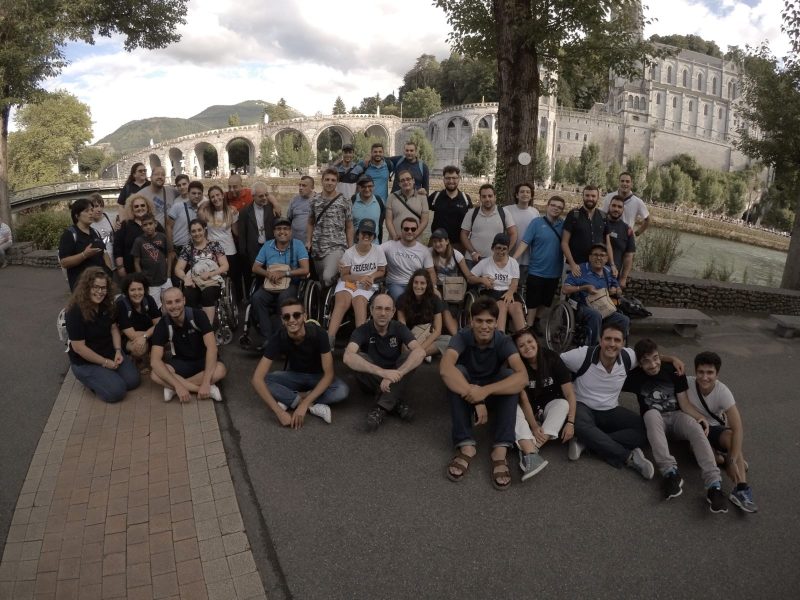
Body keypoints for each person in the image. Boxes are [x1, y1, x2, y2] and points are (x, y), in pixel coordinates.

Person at [623, 339, 726, 512]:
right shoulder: (633, 376)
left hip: (677, 416)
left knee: (695, 427)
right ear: (639, 364)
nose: (653, 364)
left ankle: (714, 485)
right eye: (646, 361)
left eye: (656, 358)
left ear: (660, 356)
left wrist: (700, 417)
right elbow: (612, 371)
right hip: (656, 421)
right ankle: (670, 473)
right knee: (651, 414)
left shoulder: (673, 370)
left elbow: (684, 403)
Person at [440, 296, 528, 490]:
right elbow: (445, 369)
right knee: (457, 372)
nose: (484, 326)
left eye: (489, 321)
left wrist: (485, 392)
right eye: (479, 321)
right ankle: (466, 445)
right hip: (466, 391)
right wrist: (476, 399)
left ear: (496, 323)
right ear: (471, 321)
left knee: (511, 377)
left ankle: (500, 450)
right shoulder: (462, 336)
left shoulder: (503, 340)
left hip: (491, 392)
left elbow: (523, 377)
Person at [560, 322, 654, 479]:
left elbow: (650, 357)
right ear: (600, 340)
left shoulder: (628, 356)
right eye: (608, 339)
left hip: (610, 409)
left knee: (644, 429)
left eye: (617, 340)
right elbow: (554, 361)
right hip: (582, 406)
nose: (612, 344)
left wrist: (672, 359)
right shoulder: (582, 355)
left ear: (623, 343)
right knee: (580, 425)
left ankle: (587, 443)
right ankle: (629, 457)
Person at [251, 297, 349, 427]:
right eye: (286, 317)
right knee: (265, 380)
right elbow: (257, 379)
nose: (291, 320)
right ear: (282, 320)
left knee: (342, 390)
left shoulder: (319, 334)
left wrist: (304, 405)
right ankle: (311, 404)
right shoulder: (278, 337)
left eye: (296, 315)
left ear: (305, 317)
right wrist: (279, 412)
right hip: (294, 376)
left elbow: (328, 375)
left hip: (318, 377)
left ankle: (291, 399)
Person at [687, 351, 758, 513]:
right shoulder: (687, 383)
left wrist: (732, 461)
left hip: (715, 429)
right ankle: (723, 459)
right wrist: (671, 358)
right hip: (696, 430)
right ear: (695, 371)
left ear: (717, 374)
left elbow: (737, 428)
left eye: (710, 372)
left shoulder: (723, 392)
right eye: (700, 372)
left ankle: (741, 489)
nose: (705, 377)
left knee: (732, 438)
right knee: (697, 451)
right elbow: (660, 362)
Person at [343, 293, 426, 431]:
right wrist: (383, 373)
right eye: (378, 308)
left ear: (393, 312)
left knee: (411, 355)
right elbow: (347, 357)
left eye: (387, 309)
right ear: (371, 310)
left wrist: (397, 374)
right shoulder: (362, 330)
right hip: (371, 379)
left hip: (394, 376)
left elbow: (420, 352)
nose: (383, 313)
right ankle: (396, 401)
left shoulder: (399, 327)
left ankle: (380, 408)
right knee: (358, 356)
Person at [64, 267, 140, 402]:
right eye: (95, 287)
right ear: (86, 287)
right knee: (117, 392)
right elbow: (79, 348)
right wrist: (105, 363)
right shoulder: (74, 311)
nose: (100, 292)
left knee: (133, 381)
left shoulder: (106, 304)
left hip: (109, 352)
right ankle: (92, 380)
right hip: (85, 361)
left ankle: (107, 376)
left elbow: (113, 329)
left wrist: (118, 351)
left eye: (103, 288)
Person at [511, 328, 577, 480]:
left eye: (530, 341)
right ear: (517, 350)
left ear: (536, 341)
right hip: (528, 410)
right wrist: (534, 426)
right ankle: (531, 453)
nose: (527, 347)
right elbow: (524, 400)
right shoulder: (517, 364)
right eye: (521, 345)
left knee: (563, 404)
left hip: (549, 406)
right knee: (512, 408)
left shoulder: (552, 358)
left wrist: (571, 422)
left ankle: (530, 449)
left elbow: (569, 393)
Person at [150, 287, 226, 403]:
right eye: (169, 303)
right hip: (182, 362)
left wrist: (206, 382)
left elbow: (212, 348)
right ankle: (204, 390)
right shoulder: (162, 325)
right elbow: (155, 361)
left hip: (203, 360)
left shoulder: (198, 315)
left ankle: (171, 388)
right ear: (163, 305)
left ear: (184, 300)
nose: (174, 306)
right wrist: (178, 386)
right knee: (155, 374)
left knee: (220, 370)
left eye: (177, 301)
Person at [326, 220, 386, 346]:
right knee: (342, 302)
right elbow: (344, 276)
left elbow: (382, 271)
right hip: (349, 281)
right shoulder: (349, 253)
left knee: (359, 301)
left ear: (374, 237)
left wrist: (371, 277)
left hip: (366, 284)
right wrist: (360, 278)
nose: (366, 236)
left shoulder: (378, 250)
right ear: (358, 234)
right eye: (364, 233)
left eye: (370, 234)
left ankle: (359, 342)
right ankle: (329, 340)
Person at [251, 218, 310, 344]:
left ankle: (281, 336)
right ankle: (268, 338)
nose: (282, 232)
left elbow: (305, 269)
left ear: (291, 232)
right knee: (257, 298)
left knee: (284, 298)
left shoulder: (298, 245)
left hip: (291, 283)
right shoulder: (267, 245)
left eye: (285, 229)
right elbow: (255, 267)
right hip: (270, 283)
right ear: (274, 232)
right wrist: (268, 274)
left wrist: (284, 273)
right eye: (278, 229)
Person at [513, 195, 566, 327]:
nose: (556, 208)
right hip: (536, 270)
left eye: (559, 207)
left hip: (554, 272)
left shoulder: (564, 225)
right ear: (547, 206)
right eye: (553, 205)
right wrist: (513, 259)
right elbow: (525, 242)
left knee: (546, 302)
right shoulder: (536, 223)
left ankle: (536, 322)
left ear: (562, 210)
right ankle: (529, 326)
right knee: (533, 301)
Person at [562, 243, 630, 345]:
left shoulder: (608, 271)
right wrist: (584, 287)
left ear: (606, 259)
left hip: (604, 306)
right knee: (596, 315)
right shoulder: (580, 269)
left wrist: (615, 289)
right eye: (595, 255)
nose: (599, 258)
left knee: (624, 319)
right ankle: (594, 347)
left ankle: (616, 345)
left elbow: (618, 289)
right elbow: (565, 289)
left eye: (602, 255)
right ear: (590, 257)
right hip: (582, 306)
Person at [174, 219, 229, 324]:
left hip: (212, 281)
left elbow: (225, 266)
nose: (197, 233)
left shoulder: (214, 245)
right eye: (193, 231)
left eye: (199, 230)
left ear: (204, 230)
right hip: (195, 281)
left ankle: (207, 326)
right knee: (188, 294)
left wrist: (211, 273)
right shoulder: (187, 248)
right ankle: (194, 324)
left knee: (207, 293)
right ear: (190, 233)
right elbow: (178, 268)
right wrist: (186, 279)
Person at [306, 168, 354, 286]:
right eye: (327, 179)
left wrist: (350, 248)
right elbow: (310, 222)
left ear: (337, 182)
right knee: (321, 279)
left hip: (336, 246)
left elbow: (349, 226)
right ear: (322, 181)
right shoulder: (314, 200)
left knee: (328, 277)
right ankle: (327, 297)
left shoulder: (345, 201)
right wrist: (308, 241)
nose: (330, 182)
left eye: (333, 180)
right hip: (318, 247)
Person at [469, 233, 526, 333]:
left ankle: (523, 336)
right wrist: (482, 280)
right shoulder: (485, 263)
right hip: (491, 292)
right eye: (498, 248)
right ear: (493, 248)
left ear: (508, 250)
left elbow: (515, 283)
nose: (501, 251)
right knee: (501, 306)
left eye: (504, 249)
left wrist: (510, 293)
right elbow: (470, 278)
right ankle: (500, 335)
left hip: (508, 291)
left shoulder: (513, 263)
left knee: (517, 307)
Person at [199, 185, 241, 302]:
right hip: (213, 251)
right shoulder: (206, 212)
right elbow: (199, 214)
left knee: (233, 279)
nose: (216, 198)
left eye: (218, 195)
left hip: (229, 250)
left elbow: (236, 231)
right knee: (215, 279)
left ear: (223, 195)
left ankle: (235, 302)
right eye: (212, 197)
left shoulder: (231, 211)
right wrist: (206, 203)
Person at [59, 198, 112, 290]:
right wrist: (84, 255)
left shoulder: (95, 232)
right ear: (77, 216)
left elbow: (104, 253)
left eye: (91, 210)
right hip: (83, 287)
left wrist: (109, 273)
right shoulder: (70, 234)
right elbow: (64, 262)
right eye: (87, 211)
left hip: (101, 285)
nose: (91, 213)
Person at [397, 269, 450, 360]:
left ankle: (415, 355)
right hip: (410, 337)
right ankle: (419, 355)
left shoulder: (435, 300)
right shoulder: (402, 299)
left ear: (427, 285)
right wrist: (410, 343)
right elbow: (402, 327)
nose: (418, 286)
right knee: (399, 344)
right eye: (416, 282)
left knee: (449, 340)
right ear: (412, 283)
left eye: (422, 283)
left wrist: (420, 348)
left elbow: (437, 330)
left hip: (428, 335)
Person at [460, 184, 517, 268]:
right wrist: (473, 252)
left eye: (490, 196)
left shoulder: (504, 213)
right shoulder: (471, 213)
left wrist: (505, 251)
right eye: (484, 196)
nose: (487, 199)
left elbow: (513, 233)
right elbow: (463, 234)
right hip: (473, 260)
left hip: (495, 260)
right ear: (480, 198)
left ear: (495, 197)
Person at [381, 217, 436, 301]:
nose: (410, 231)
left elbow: (431, 271)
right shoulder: (390, 245)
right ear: (401, 230)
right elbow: (373, 251)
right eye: (406, 229)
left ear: (416, 230)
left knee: (434, 299)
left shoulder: (424, 250)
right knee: (403, 300)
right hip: (396, 284)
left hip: (416, 284)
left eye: (413, 229)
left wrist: (433, 288)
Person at [429, 228, 471, 335]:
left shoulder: (456, 255)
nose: (437, 244)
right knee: (440, 303)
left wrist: (482, 279)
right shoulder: (429, 252)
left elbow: (468, 275)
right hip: (438, 287)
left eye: (440, 241)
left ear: (447, 241)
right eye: (435, 241)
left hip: (454, 288)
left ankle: (454, 334)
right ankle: (454, 334)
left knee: (449, 309)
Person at [239, 182, 277, 297]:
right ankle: (251, 299)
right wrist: (243, 252)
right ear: (253, 196)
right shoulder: (245, 211)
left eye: (266, 194)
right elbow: (242, 233)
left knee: (269, 275)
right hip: (253, 249)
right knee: (253, 278)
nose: (264, 198)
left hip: (270, 247)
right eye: (261, 196)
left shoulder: (272, 208)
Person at [116, 272, 161, 365]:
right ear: (127, 291)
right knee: (139, 348)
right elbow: (132, 335)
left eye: (140, 289)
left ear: (144, 289)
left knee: (165, 337)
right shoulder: (121, 305)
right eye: (132, 290)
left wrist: (146, 336)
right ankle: (135, 360)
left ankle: (152, 357)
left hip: (146, 334)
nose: (137, 293)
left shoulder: (148, 299)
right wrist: (153, 333)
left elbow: (159, 324)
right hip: (129, 339)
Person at [113, 194, 162, 277]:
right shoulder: (125, 225)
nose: (140, 208)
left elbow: (164, 245)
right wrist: (120, 268)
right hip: (131, 271)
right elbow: (118, 247)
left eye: (143, 205)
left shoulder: (155, 224)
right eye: (136, 206)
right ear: (132, 209)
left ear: (148, 207)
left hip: (154, 271)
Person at [562, 185, 606, 275]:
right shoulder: (573, 215)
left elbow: (607, 244)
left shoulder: (603, 217)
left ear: (598, 197)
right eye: (587, 195)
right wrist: (572, 264)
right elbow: (564, 242)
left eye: (593, 196)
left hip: (596, 269)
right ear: (583, 196)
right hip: (575, 267)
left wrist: (610, 264)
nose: (590, 198)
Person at [131, 213, 172, 307]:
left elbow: (170, 254)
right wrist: (142, 279)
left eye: (150, 223)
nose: (148, 227)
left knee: (170, 303)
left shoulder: (162, 237)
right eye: (145, 225)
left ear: (155, 224)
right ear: (142, 227)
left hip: (165, 278)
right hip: (150, 282)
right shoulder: (139, 241)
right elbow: (136, 262)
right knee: (155, 307)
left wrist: (169, 274)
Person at [504, 182, 540, 290]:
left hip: (527, 259)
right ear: (517, 195)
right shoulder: (507, 210)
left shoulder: (535, 212)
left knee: (521, 288)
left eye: (528, 192)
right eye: (522, 192)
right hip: (509, 257)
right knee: (506, 286)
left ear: (531, 196)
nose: (525, 194)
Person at [428, 165, 471, 252]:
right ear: (443, 179)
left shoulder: (465, 199)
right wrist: (420, 195)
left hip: (458, 245)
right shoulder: (435, 196)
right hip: (437, 243)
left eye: (454, 178)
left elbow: (470, 222)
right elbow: (420, 210)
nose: (451, 181)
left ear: (459, 179)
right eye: (448, 178)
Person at [385, 169, 429, 242]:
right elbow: (388, 220)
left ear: (413, 181)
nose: (406, 182)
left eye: (408, 179)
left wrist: (414, 235)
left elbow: (425, 221)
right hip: (395, 241)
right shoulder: (392, 197)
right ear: (399, 184)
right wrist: (394, 236)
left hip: (415, 241)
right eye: (402, 180)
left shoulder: (422, 197)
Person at [166, 180, 203, 263]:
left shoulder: (200, 212)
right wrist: (171, 250)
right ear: (188, 193)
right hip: (177, 249)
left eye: (199, 193)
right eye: (193, 193)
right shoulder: (178, 206)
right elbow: (168, 227)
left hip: (194, 250)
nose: (196, 196)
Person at [604, 195, 636, 289]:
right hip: (593, 274)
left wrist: (623, 278)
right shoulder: (599, 222)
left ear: (623, 210)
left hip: (613, 277)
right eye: (613, 206)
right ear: (609, 206)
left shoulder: (627, 230)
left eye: (619, 207)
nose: (616, 209)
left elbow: (628, 256)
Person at [350, 175, 385, 243]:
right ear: (359, 187)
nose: (367, 189)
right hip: (356, 245)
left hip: (375, 245)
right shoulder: (352, 201)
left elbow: (381, 224)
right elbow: (348, 226)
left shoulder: (379, 201)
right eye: (363, 186)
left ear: (374, 187)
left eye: (369, 186)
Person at [89, 193, 118, 271]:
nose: (99, 209)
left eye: (101, 206)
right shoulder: (88, 224)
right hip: (101, 266)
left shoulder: (110, 217)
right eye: (96, 206)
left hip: (116, 263)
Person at [287, 176, 315, 243]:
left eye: (304, 186)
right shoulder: (294, 200)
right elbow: (289, 218)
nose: (301, 188)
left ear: (312, 187)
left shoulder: (318, 201)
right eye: (300, 185)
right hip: (295, 241)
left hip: (312, 242)